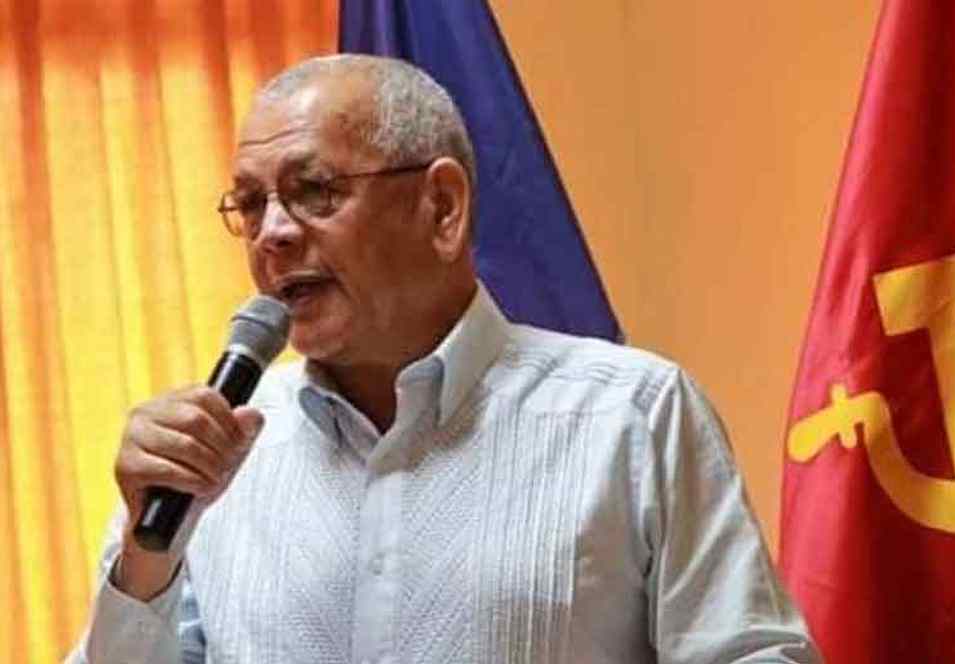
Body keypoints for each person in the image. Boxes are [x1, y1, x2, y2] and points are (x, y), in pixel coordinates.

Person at [67, 54, 819, 663]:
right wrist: (145, 557)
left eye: (313, 191)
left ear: (442, 207)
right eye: (251, 204)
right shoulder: (208, 458)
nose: (273, 234)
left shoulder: (632, 415)